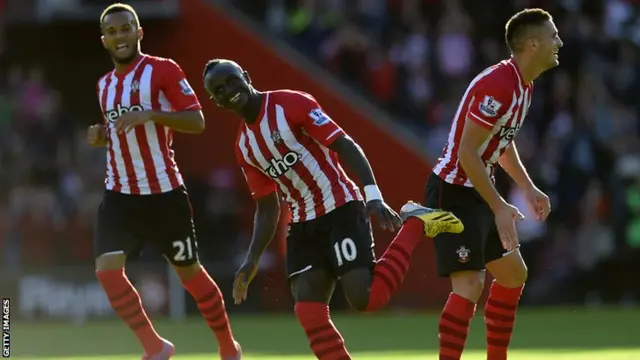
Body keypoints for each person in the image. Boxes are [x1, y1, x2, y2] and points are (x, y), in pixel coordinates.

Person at [202, 58, 464, 359]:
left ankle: (415, 223)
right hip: (302, 225)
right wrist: (251, 260)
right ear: (216, 101)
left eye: (232, 80)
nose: (229, 90)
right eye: (219, 90)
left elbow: (346, 145)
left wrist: (373, 196)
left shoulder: (290, 104)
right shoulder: (244, 147)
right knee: (308, 312)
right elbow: (266, 206)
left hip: (340, 206)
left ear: (246, 75)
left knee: (366, 299)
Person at [88, 4, 241, 360]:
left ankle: (227, 347)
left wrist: (151, 114)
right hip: (119, 195)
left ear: (139, 32)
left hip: (163, 194)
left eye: (126, 29)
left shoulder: (163, 70)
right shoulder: (104, 85)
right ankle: (155, 348)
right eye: (112, 32)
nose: (120, 36)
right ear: (104, 40)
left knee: (190, 274)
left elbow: (197, 120)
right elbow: (121, 131)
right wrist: (103, 137)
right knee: (107, 273)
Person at [425, 8, 561, 360]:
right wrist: (499, 206)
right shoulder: (500, 85)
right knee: (470, 284)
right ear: (533, 43)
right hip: (452, 190)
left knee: (514, 275)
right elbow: (468, 153)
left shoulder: (522, 85)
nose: (559, 42)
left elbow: (500, 143)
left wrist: (527, 186)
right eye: (553, 36)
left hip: (476, 188)